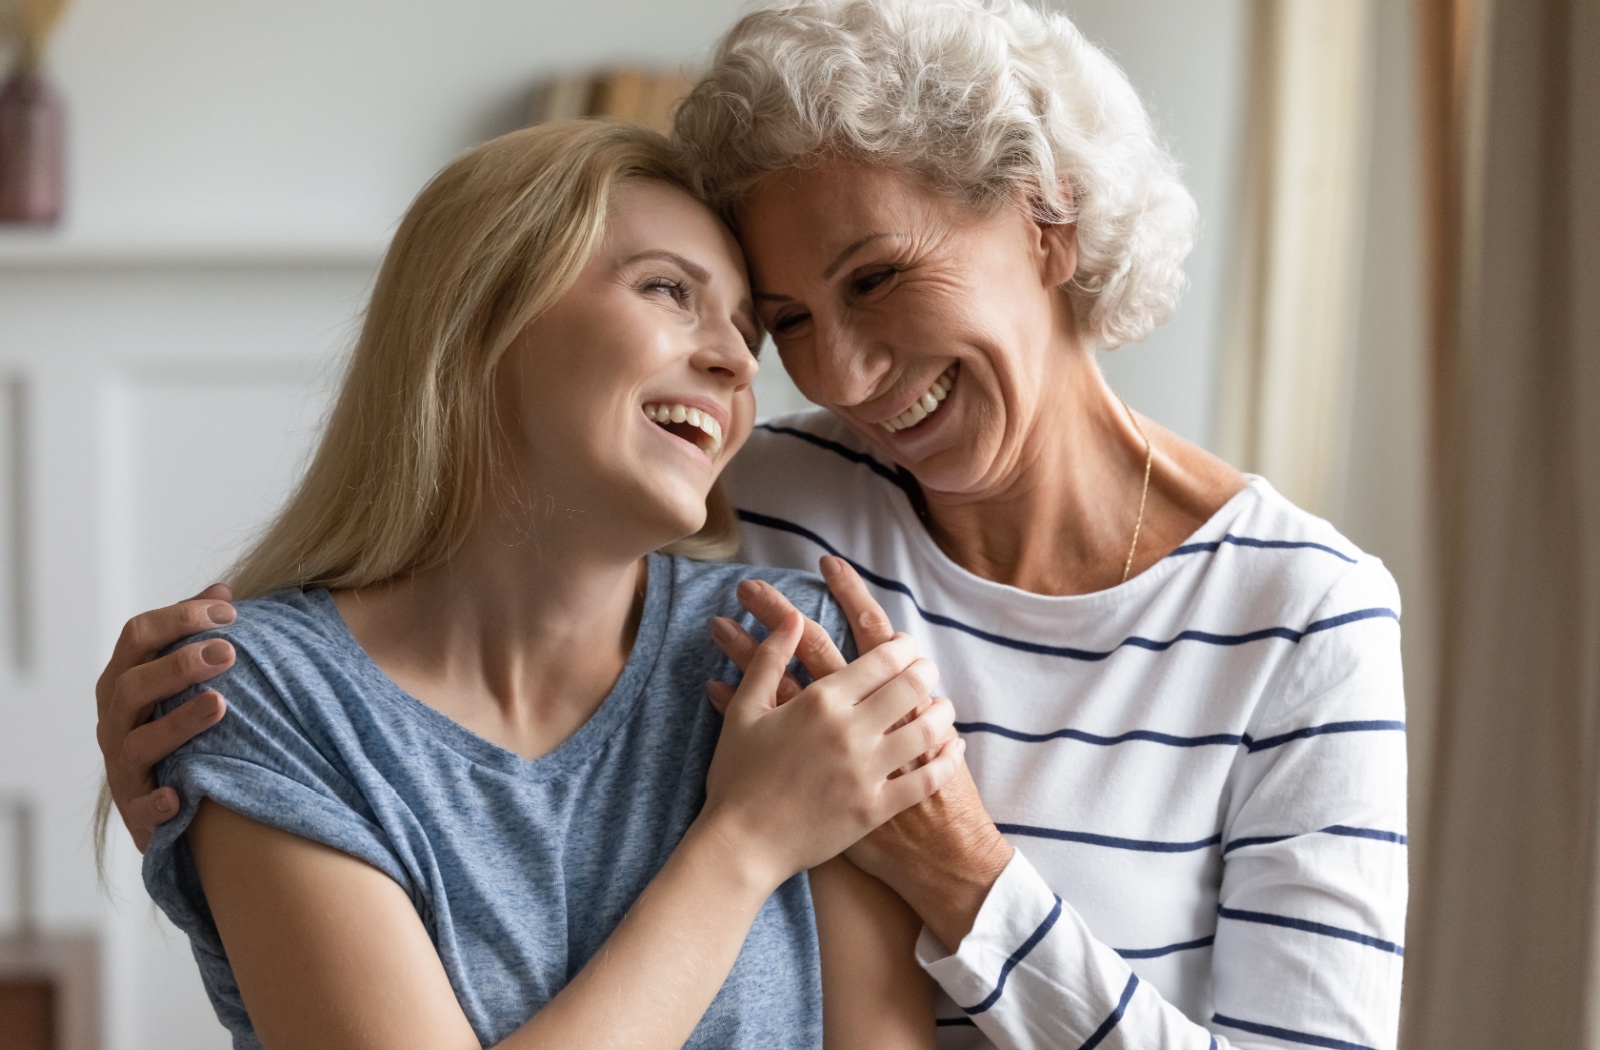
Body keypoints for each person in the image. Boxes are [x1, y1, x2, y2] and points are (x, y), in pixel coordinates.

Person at [98, 1, 1408, 1048]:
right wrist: (199, 737)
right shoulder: (763, 522)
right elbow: (468, 575)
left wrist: (961, 872)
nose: (827, 375)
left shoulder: (1304, 615)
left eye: (878, 277)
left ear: (1046, 218)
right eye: (785, 321)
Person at [115, 118, 965, 1050]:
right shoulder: (272, 698)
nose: (733, 360)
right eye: (668, 290)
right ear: (482, 313)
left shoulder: (790, 654)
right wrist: (745, 842)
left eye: (748, 331)